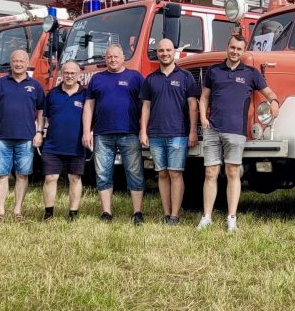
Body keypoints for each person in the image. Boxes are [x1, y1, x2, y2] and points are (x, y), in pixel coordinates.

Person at [197, 34, 279, 232]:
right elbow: (204, 97)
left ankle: (231, 218)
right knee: (210, 173)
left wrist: (274, 102)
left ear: (243, 52)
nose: (235, 52)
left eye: (239, 49)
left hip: (236, 131)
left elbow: (268, 92)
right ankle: (206, 217)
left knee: (233, 172)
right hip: (212, 130)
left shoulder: (251, 73)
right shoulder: (214, 71)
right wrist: (203, 119)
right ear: (227, 47)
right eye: (232, 47)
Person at [82, 44, 145, 225]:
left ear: (123, 57)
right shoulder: (97, 79)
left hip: (129, 132)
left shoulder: (135, 77)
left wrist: (143, 129)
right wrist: (86, 131)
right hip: (102, 134)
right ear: (105, 59)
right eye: (109, 57)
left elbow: (145, 105)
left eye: (116, 56)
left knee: (134, 172)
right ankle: (106, 212)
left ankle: (137, 212)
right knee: (103, 174)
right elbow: (89, 107)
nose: (113, 60)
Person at [140, 39, 199, 225]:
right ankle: (166, 214)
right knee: (162, 174)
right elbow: (146, 107)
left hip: (178, 134)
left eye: (168, 50)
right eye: (161, 51)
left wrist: (193, 131)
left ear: (174, 52)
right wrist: (143, 131)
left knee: (175, 173)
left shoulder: (185, 77)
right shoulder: (150, 79)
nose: (164, 54)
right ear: (157, 53)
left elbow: (193, 106)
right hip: (155, 135)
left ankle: (175, 215)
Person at [0, 49, 45, 222]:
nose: (18, 64)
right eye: (15, 61)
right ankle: (1, 212)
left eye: (21, 61)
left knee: (22, 175)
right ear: (10, 63)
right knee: (1, 175)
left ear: (27, 63)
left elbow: (41, 111)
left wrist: (39, 132)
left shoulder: (35, 86)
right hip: (2, 137)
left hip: (26, 137)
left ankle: (17, 210)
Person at [41, 60, 86, 221]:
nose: (69, 76)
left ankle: (73, 213)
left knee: (75, 178)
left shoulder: (85, 94)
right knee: (50, 178)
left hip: (76, 145)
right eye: (66, 72)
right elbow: (45, 116)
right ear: (61, 74)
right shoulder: (52, 94)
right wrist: (40, 132)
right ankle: (48, 214)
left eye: (73, 73)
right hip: (53, 145)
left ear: (79, 75)